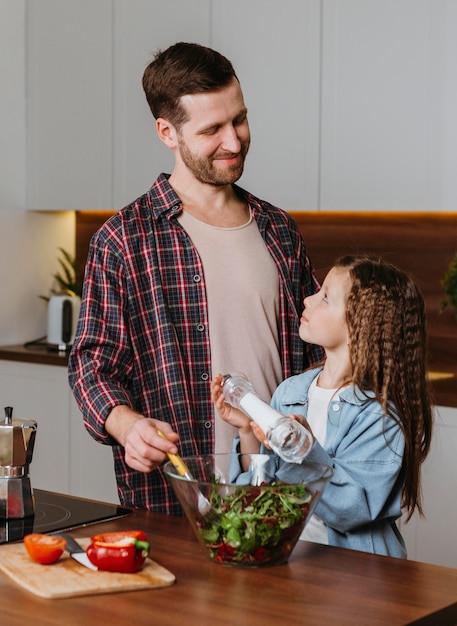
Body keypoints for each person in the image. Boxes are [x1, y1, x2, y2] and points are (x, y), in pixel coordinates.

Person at [68, 42, 323, 514]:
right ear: (167, 132)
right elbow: (92, 363)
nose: (234, 141)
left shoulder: (279, 229)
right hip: (179, 499)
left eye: (239, 119)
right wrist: (124, 425)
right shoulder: (124, 239)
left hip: (285, 490)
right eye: (212, 129)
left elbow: (318, 356)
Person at [211, 255, 433, 558]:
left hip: (357, 578)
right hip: (293, 564)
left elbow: (351, 510)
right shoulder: (290, 392)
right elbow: (260, 491)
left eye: (326, 297)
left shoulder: (379, 417)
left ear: (360, 325)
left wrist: (302, 452)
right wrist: (247, 431)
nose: (308, 299)